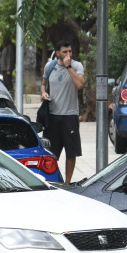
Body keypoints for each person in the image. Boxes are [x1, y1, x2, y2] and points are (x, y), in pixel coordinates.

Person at [40, 40, 85, 184]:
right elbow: (43, 84)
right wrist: (43, 93)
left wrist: (68, 66)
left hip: (70, 115)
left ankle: (67, 182)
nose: (68, 54)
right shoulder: (50, 66)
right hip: (52, 116)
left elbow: (79, 84)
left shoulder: (76, 66)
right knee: (51, 153)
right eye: (65, 52)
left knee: (71, 152)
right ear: (57, 52)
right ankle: (54, 180)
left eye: (70, 51)